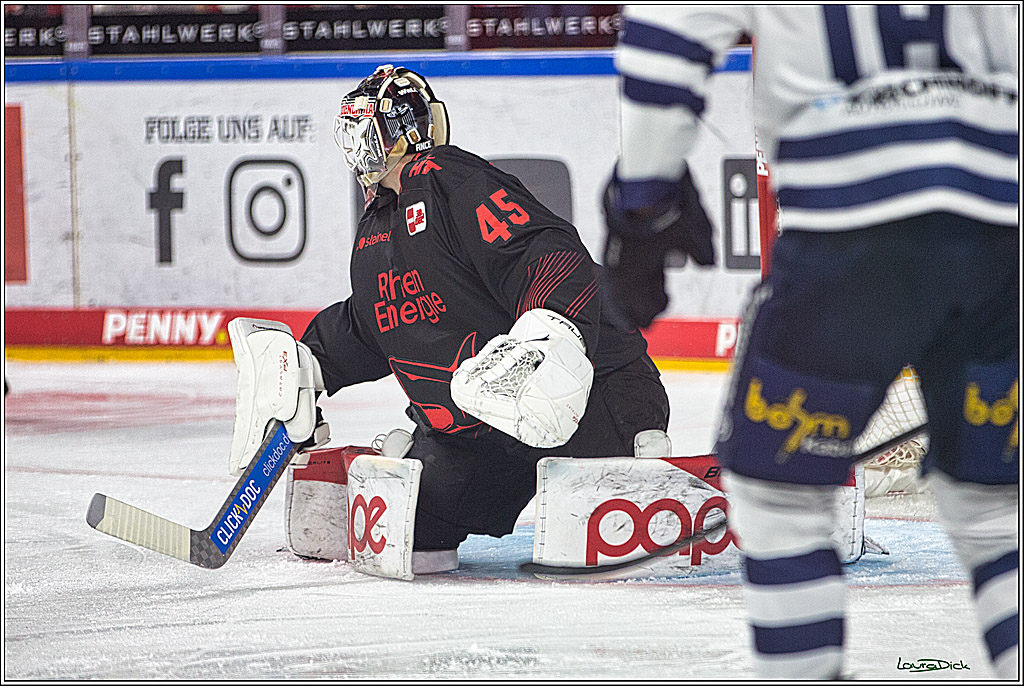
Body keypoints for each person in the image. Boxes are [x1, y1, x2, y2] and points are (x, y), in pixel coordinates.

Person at [602, 5, 1018, 680]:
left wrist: (643, 202)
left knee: (778, 497)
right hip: (1004, 238)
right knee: (1000, 512)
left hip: (850, 232)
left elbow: (666, 32)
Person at [283, 64, 670, 572]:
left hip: (586, 402)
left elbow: (546, 250)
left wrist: (549, 331)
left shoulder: (447, 177)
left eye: (361, 135)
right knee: (413, 544)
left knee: (592, 551)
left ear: (388, 136)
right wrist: (309, 362)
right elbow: (378, 317)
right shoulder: (378, 222)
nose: (357, 152)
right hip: (474, 433)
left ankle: (649, 475)